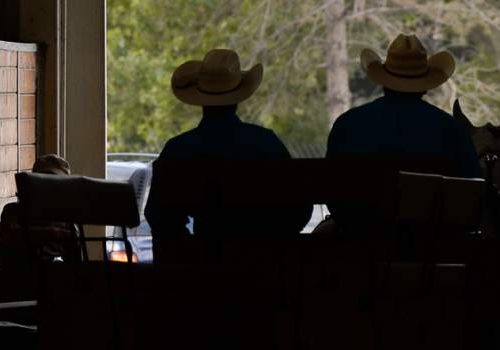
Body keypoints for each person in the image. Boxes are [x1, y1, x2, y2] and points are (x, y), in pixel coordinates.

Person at [144, 48, 310, 239]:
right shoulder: (266, 143)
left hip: (202, 262)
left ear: (200, 99)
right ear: (238, 97)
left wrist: (191, 251)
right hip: (265, 261)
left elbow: (160, 216)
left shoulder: (178, 149)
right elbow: (299, 209)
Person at [325, 34, 481, 180]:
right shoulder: (452, 130)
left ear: (384, 82)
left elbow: (330, 183)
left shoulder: (348, 125)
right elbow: (472, 189)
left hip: (358, 210)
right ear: (425, 87)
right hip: (427, 209)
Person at [0, 154, 79, 303]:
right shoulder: (65, 222)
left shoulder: (12, 212)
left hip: (10, 296)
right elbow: (76, 266)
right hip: (36, 299)